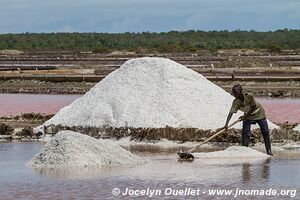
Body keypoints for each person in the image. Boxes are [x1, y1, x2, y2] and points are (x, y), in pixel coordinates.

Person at [224, 84, 273, 156]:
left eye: (236, 93)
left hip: (259, 113)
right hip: (248, 116)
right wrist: (226, 124)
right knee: (245, 132)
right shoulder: (236, 102)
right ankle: (245, 151)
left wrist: (245, 116)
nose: (235, 95)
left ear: (240, 92)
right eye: (234, 94)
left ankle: (269, 152)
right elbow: (231, 112)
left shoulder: (249, 96)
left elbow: (253, 107)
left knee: (265, 132)